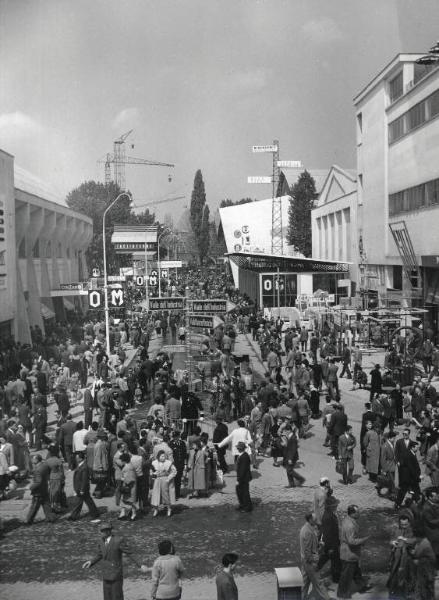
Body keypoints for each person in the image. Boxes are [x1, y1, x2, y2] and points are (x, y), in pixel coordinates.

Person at [83, 522, 148, 600]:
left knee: (117, 596)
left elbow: (130, 553)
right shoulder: (101, 541)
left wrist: (140, 565)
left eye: (102, 531)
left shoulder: (118, 540)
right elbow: (100, 554)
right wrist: (91, 562)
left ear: (108, 531)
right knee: (107, 596)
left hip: (116, 574)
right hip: (106, 573)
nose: (100, 533)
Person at [338, 505, 369, 599]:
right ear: (353, 513)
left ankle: (362, 586)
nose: (359, 513)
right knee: (346, 576)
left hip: (349, 553)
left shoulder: (347, 520)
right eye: (357, 512)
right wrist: (363, 540)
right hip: (349, 554)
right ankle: (342, 594)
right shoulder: (350, 525)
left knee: (356, 572)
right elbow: (351, 541)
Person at [299, 512, 331, 600]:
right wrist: (313, 563)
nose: (316, 520)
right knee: (319, 582)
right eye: (315, 519)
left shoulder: (305, 528)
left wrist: (318, 544)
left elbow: (308, 546)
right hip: (310, 562)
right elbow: (307, 550)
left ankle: (302, 598)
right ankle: (327, 598)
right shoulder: (308, 532)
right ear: (310, 520)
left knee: (305, 583)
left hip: (304, 561)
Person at [68, 451, 100, 521]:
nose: (76, 459)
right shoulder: (80, 465)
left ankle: (74, 516)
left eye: (77, 458)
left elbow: (84, 480)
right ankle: (95, 513)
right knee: (87, 501)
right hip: (81, 488)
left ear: (80, 458)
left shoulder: (84, 467)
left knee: (79, 502)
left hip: (81, 488)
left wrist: (82, 490)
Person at [25, 454, 57, 525]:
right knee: (46, 505)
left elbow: (38, 482)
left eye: (33, 459)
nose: (32, 460)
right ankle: (50, 518)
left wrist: (30, 487)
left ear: (36, 460)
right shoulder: (44, 466)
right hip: (44, 488)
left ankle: (29, 520)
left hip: (38, 491)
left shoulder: (37, 470)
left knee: (34, 506)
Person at [317, 495, 341, 584]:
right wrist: (332, 547)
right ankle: (336, 579)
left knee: (327, 558)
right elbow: (327, 533)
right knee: (335, 560)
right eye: (335, 505)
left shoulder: (330, 514)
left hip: (331, 543)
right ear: (331, 507)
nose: (336, 506)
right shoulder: (328, 517)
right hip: (331, 544)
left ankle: (313, 571)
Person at [151, 449, 177, 517]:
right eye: (162, 456)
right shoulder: (154, 463)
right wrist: (153, 475)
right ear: (158, 456)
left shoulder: (168, 463)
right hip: (157, 480)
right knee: (156, 495)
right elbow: (151, 472)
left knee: (165, 495)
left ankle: (169, 508)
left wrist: (168, 478)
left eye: (164, 456)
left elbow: (174, 471)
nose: (163, 457)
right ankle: (156, 509)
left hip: (165, 480)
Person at [235, 441, 253, 512]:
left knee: (244, 492)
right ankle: (242, 504)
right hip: (242, 477)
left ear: (240, 449)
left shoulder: (244, 457)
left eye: (238, 448)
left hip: (244, 478)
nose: (237, 449)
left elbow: (242, 470)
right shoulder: (242, 455)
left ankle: (247, 507)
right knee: (239, 491)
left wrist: (238, 480)